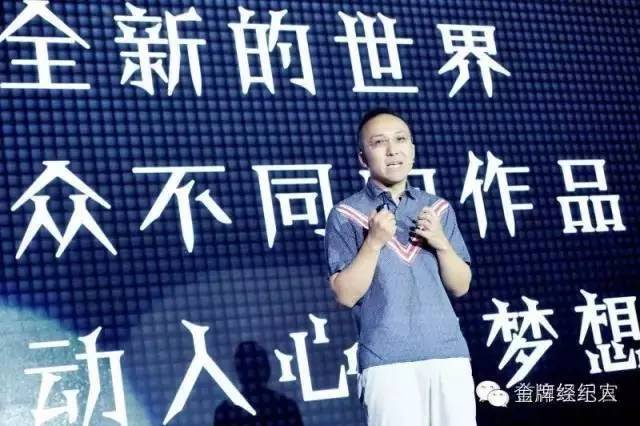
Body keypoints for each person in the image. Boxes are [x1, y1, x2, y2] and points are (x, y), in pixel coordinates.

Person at [324, 108, 477, 426]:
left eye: (401, 139)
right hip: (386, 361)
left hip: (449, 354)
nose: (393, 150)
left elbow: (461, 285)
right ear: (362, 158)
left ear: (413, 149)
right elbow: (345, 295)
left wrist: (440, 242)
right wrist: (373, 242)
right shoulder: (346, 214)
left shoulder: (437, 208)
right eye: (379, 142)